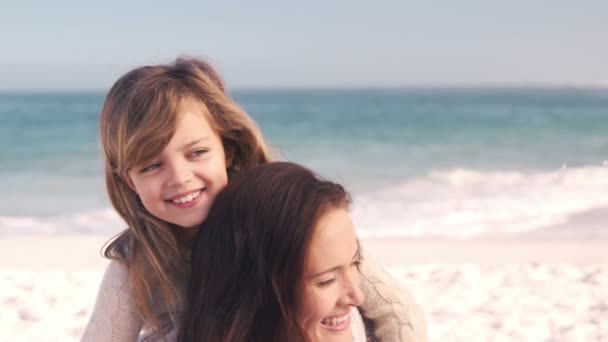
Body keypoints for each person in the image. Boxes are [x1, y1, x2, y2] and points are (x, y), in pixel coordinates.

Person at [81, 57, 427, 341]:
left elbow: (396, 313)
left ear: (228, 150)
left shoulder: (293, 217)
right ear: (129, 181)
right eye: (152, 165)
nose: (179, 178)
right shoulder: (138, 265)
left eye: (197, 152)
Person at [179, 162, 368, 342]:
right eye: (326, 281)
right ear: (256, 293)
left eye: (355, 263)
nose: (358, 297)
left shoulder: (351, 327)